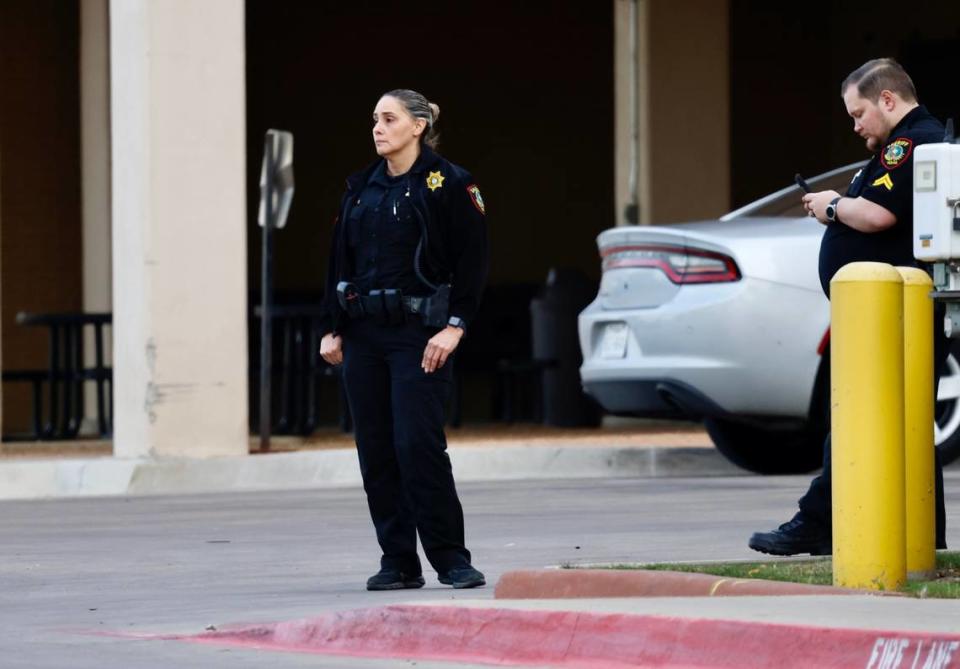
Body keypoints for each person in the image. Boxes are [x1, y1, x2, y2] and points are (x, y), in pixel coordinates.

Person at [749, 58, 949, 556]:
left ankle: (817, 520)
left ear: (887, 100)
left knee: (861, 415)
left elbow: (879, 215)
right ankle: (928, 539)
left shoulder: (912, 143)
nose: (856, 125)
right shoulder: (903, 146)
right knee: (900, 424)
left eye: (859, 113)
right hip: (889, 308)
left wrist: (832, 205)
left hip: (891, 310)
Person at [318, 89, 488, 590]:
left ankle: (451, 557)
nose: (378, 127)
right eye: (374, 119)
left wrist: (455, 326)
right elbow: (337, 263)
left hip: (420, 335)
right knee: (376, 449)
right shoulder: (360, 189)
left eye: (389, 119)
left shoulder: (449, 184)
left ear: (417, 126)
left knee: (418, 445)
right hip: (364, 335)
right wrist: (331, 326)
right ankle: (398, 561)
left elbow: (473, 262)